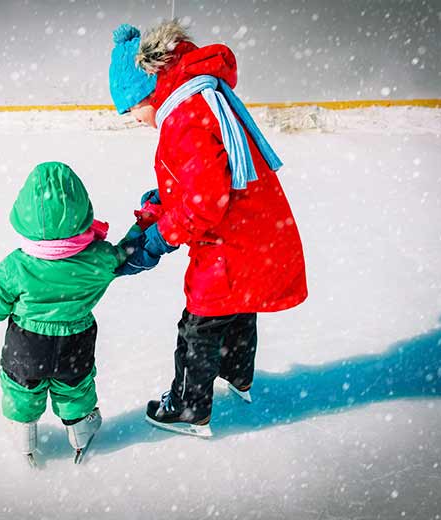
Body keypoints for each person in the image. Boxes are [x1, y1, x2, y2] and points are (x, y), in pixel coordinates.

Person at [108, 21, 308, 437]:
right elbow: (200, 178)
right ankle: (238, 374)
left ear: (147, 90)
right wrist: (159, 204)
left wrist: (158, 240)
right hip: (254, 230)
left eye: (132, 110)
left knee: (199, 325)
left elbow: (203, 202)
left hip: (228, 242)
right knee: (239, 307)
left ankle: (189, 408)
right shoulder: (198, 97)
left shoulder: (183, 118)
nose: (136, 119)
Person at [0, 161, 126, 464]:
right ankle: (80, 427)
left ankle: (23, 431)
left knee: (21, 387)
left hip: (27, 342)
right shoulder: (99, 259)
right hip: (76, 340)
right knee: (75, 386)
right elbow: (123, 255)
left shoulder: (16, 266)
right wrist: (142, 227)